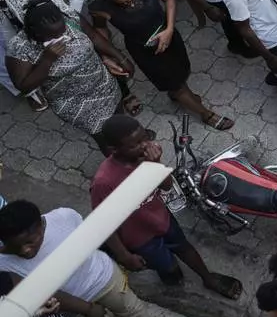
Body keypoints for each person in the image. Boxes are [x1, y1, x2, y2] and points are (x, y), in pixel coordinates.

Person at [92, 114, 242, 297]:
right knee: (167, 266)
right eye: (135, 144)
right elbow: (102, 225)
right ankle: (170, 277)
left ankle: (207, 278)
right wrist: (125, 256)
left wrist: (155, 164)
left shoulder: (145, 159)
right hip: (139, 237)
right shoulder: (104, 182)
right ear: (113, 149)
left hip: (161, 219)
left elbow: (167, 186)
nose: (145, 146)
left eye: (145, 137)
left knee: (183, 246)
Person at [91, 0, 230, 128]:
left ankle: (178, 94)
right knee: (175, 84)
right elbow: (100, 30)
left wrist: (169, 29)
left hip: (169, 37)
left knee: (182, 70)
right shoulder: (100, 8)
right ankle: (206, 114)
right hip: (146, 52)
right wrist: (107, 54)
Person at [0, 200, 157, 317]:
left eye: (30, 242)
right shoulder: (3, 266)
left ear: (41, 225)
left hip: (103, 279)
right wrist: (87, 310)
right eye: (15, 246)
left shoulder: (64, 217)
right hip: (73, 309)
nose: (24, 251)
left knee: (133, 311)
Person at [6, 0, 131, 139]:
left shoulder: (69, 17)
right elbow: (23, 85)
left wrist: (121, 58)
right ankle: (119, 159)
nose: (62, 37)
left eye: (63, 31)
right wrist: (47, 60)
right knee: (106, 138)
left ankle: (133, 141)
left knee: (121, 120)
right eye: (53, 36)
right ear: (36, 32)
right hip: (75, 104)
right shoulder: (20, 47)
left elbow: (94, 37)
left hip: (105, 85)